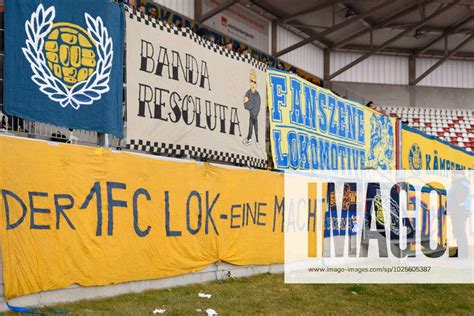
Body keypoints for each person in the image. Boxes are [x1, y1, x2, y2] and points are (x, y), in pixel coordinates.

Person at [448, 171, 472, 258]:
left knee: (460, 232)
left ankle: (463, 254)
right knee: (458, 232)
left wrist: (451, 208)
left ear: (460, 175)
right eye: (452, 174)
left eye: (454, 174)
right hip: (458, 211)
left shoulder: (461, 185)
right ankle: (462, 254)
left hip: (459, 212)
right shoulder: (458, 184)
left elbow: (457, 199)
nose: (452, 176)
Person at [242, 69, 261, 149]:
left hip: (254, 115)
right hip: (251, 114)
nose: (252, 84)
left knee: (255, 128)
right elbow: (245, 102)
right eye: (251, 81)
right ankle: (249, 138)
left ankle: (257, 141)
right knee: (251, 127)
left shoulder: (257, 95)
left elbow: (256, 106)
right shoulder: (248, 92)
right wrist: (248, 102)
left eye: (254, 82)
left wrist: (249, 102)